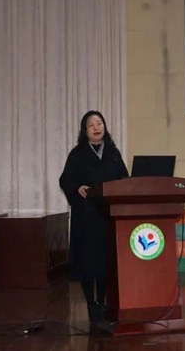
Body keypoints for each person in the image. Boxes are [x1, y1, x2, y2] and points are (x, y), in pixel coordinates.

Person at [59, 110, 129, 324]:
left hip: (108, 215)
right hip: (86, 216)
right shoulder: (77, 153)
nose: (96, 128)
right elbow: (65, 180)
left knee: (106, 260)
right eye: (91, 125)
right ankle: (91, 302)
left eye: (99, 123)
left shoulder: (113, 153)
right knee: (88, 260)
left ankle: (102, 302)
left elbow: (124, 179)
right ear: (85, 130)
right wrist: (77, 187)